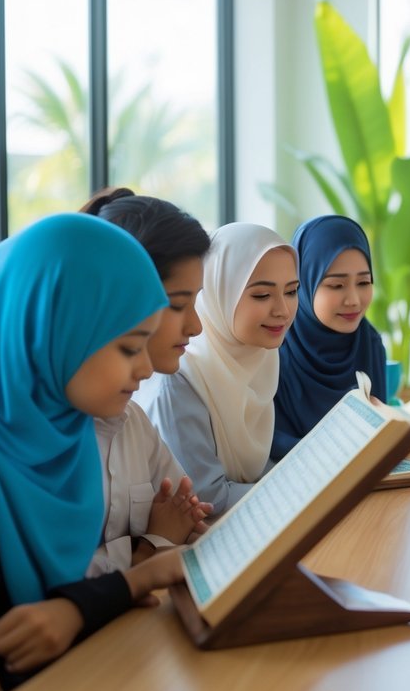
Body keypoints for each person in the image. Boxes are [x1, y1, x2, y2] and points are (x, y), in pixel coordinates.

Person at [0, 214, 185, 691]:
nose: (144, 368)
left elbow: (39, 616)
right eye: (128, 347)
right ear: (49, 328)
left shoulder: (66, 436)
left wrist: (129, 583)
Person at [81, 188, 212, 573]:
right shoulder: (44, 436)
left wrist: (163, 540)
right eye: (176, 305)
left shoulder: (133, 421)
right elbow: (51, 586)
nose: (196, 325)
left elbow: (188, 520)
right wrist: (147, 550)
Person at [136, 223, 299, 513]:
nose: (283, 310)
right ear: (218, 292)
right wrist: (302, 488)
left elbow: (251, 474)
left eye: (292, 291)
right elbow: (207, 498)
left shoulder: (259, 358)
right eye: (262, 295)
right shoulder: (180, 378)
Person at [273, 215, 386, 460]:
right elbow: (267, 445)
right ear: (303, 282)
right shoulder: (274, 348)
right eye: (336, 285)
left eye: (364, 282)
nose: (354, 299)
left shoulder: (370, 343)